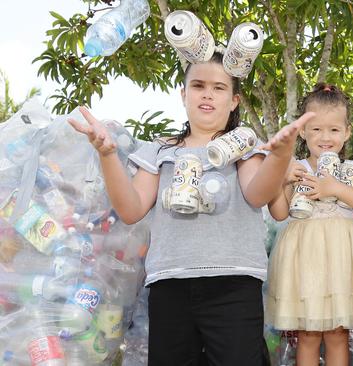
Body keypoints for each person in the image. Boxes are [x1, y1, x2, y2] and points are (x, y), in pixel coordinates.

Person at [68, 51, 314, 366]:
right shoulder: (159, 150)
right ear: (184, 94)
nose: (208, 93)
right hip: (169, 285)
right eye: (198, 85)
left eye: (219, 87)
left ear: (234, 100)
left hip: (233, 284)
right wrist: (107, 154)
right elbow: (131, 209)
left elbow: (257, 194)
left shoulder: (245, 148)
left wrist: (279, 157)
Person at [265, 83, 353, 365]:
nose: (325, 137)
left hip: (341, 257)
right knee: (307, 335)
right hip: (304, 258)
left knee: (337, 334)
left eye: (333, 129)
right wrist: (282, 181)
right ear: (302, 132)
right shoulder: (297, 167)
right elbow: (280, 212)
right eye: (316, 129)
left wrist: (336, 188)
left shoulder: (352, 169)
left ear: (346, 132)